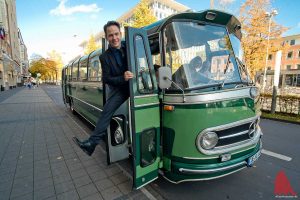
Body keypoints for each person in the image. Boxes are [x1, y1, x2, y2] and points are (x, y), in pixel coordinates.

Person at [73, 21, 133, 156]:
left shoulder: (129, 45)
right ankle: (91, 144)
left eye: (116, 34)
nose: (114, 38)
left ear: (120, 34)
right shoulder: (104, 57)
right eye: (110, 35)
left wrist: (162, 42)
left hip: (137, 86)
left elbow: (148, 48)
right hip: (121, 88)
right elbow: (106, 79)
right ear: (107, 37)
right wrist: (122, 78)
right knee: (106, 112)